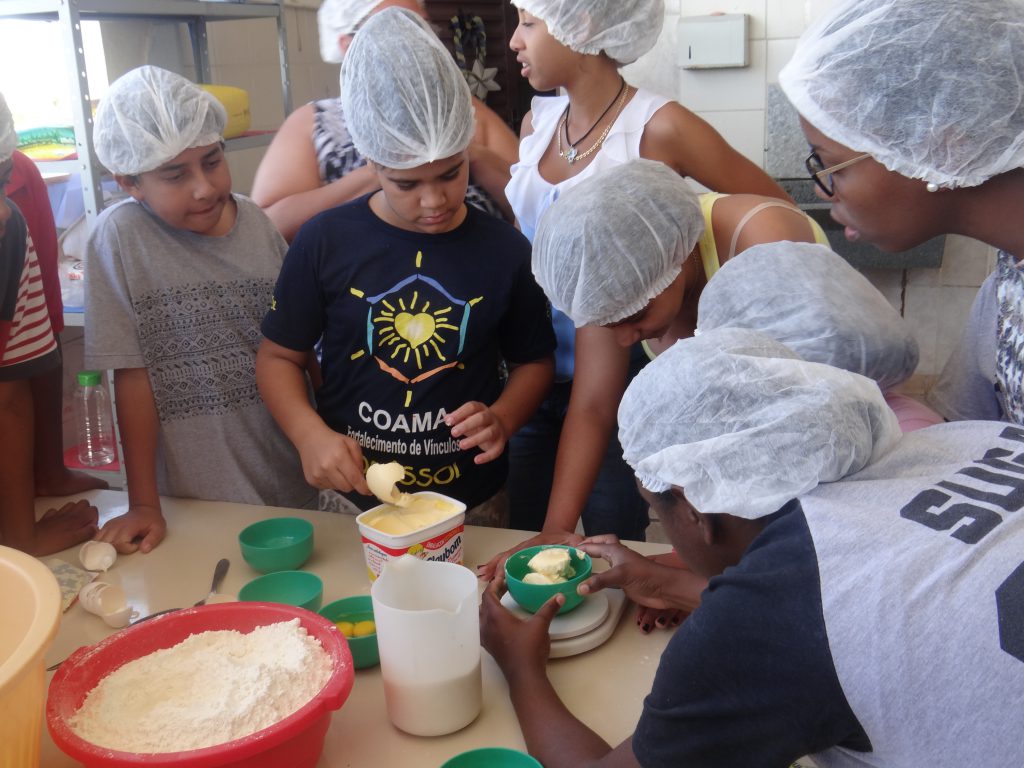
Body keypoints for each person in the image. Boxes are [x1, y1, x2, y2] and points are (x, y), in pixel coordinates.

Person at [481, 326, 1024, 767]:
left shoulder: (762, 623)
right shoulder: (958, 441)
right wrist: (666, 580)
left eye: (657, 512)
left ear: (694, 511)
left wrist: (521, 668)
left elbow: (794, 618)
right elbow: (867, 601)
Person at [480, 159, 937, 582]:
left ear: (675, 259)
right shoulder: (617, 273)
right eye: (607, 322)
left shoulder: (762, 241)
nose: (624, 340)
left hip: (858, 446)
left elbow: (804, 440)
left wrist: (676, 578)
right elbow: (595, 405)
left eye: (634, 320)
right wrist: (556, 530)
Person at [504, 0, 794, 539]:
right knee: (530, 523)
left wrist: (705, 319)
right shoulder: (536, 124)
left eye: (528, 23)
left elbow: (777, 216)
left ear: (582, 24)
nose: (514, 42)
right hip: (537, 363)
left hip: (630, 355)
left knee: (616, 518)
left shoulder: (660, 127)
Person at [257, 8, 555, 523]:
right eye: (406, 184)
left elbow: (534, 361)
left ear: (468, 149)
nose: (433, 200)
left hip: (473, 501)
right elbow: (278, 357)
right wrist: (309, 435)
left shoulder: (505, 250)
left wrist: (504, 417)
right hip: (351, 500)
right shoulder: (326, 240)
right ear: (370, 161)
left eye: (450, 173)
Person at [85, 66, 315, 554]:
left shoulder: (255, 222)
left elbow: (296, 348)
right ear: (130, 181)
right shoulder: (119, 239)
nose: (204, 187)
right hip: (193, 498)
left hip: (289, 478)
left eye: (212, 161)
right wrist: (144, 504)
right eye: (175, 175)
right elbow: (132, 375)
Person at [777, 0, 1024, 424]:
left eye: (830, 163)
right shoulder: (1004, 288)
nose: (827, 191)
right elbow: (967, 435)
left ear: (945, 145)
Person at [250, 0, 520, 241]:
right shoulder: (313, 124)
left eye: (419, 29)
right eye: (393, 33)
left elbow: (534, 203)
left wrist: (462, 151)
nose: (412, 44)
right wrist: (386, 169)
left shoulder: (465, 112)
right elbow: (267, 228)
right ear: (348, 46)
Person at [0, 92, 98, 555]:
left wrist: (20, 532)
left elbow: (10, 395)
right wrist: (21, 537)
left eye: (2, 180)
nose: (2, 208)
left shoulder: (9, 231)